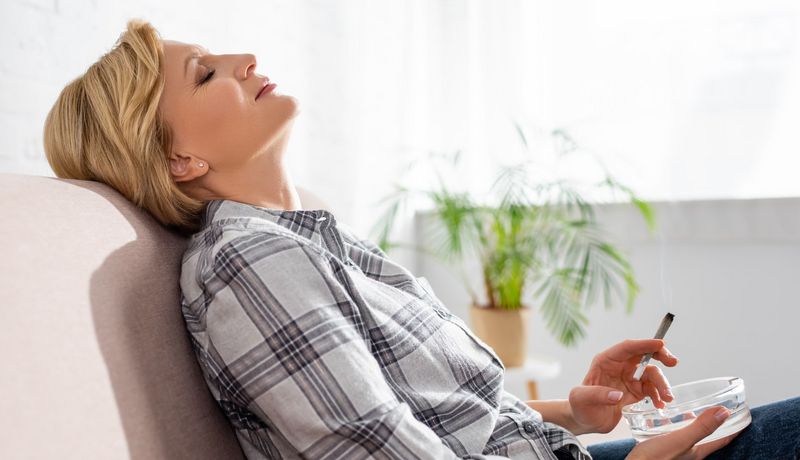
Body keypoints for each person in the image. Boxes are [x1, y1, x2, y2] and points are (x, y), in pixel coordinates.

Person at [43, 19, 799, 460]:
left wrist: (570, 410)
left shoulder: (313, 237)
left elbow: (427, 413)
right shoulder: (251, 260)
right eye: (207, 76)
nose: (244, 60)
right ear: (182, 160)